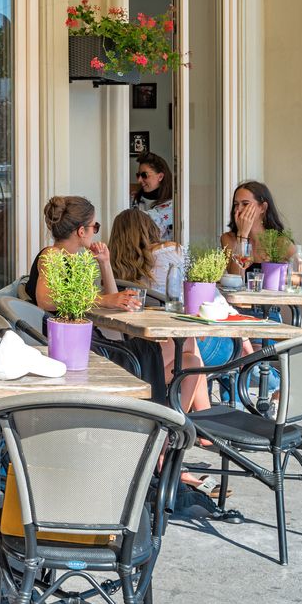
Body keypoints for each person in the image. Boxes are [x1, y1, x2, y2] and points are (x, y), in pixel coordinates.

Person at [108, 210, 217, 493]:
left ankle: (170, 445)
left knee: (190, 359)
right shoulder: (162, 258)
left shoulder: (113, 270)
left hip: (123, 352)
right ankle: (178, 442)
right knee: (190, 351)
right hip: (129, 360)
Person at [27, 196, 140, 315]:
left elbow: (114, 303)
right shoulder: (52, 255)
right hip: (51, 326)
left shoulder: (74, 260)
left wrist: (105, 262)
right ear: (81, 231)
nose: (95, 232)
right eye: (95, 226)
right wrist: (103, 300)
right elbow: (46, 300)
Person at [220, 181, 302, 290]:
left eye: (245, 204)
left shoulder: (278, 242)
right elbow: (236, 280)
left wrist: (279, 276)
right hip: (240, 300)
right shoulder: (228, 239)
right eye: (236, 204)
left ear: (263, 208)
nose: (239, 209)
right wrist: (242, 236)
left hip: (270, 300)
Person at [131, 152, 174, 238]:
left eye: (144, 175)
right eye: (138, 175)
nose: (139, 180)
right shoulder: (133, 200)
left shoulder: (173, 205)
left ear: (160, 176)